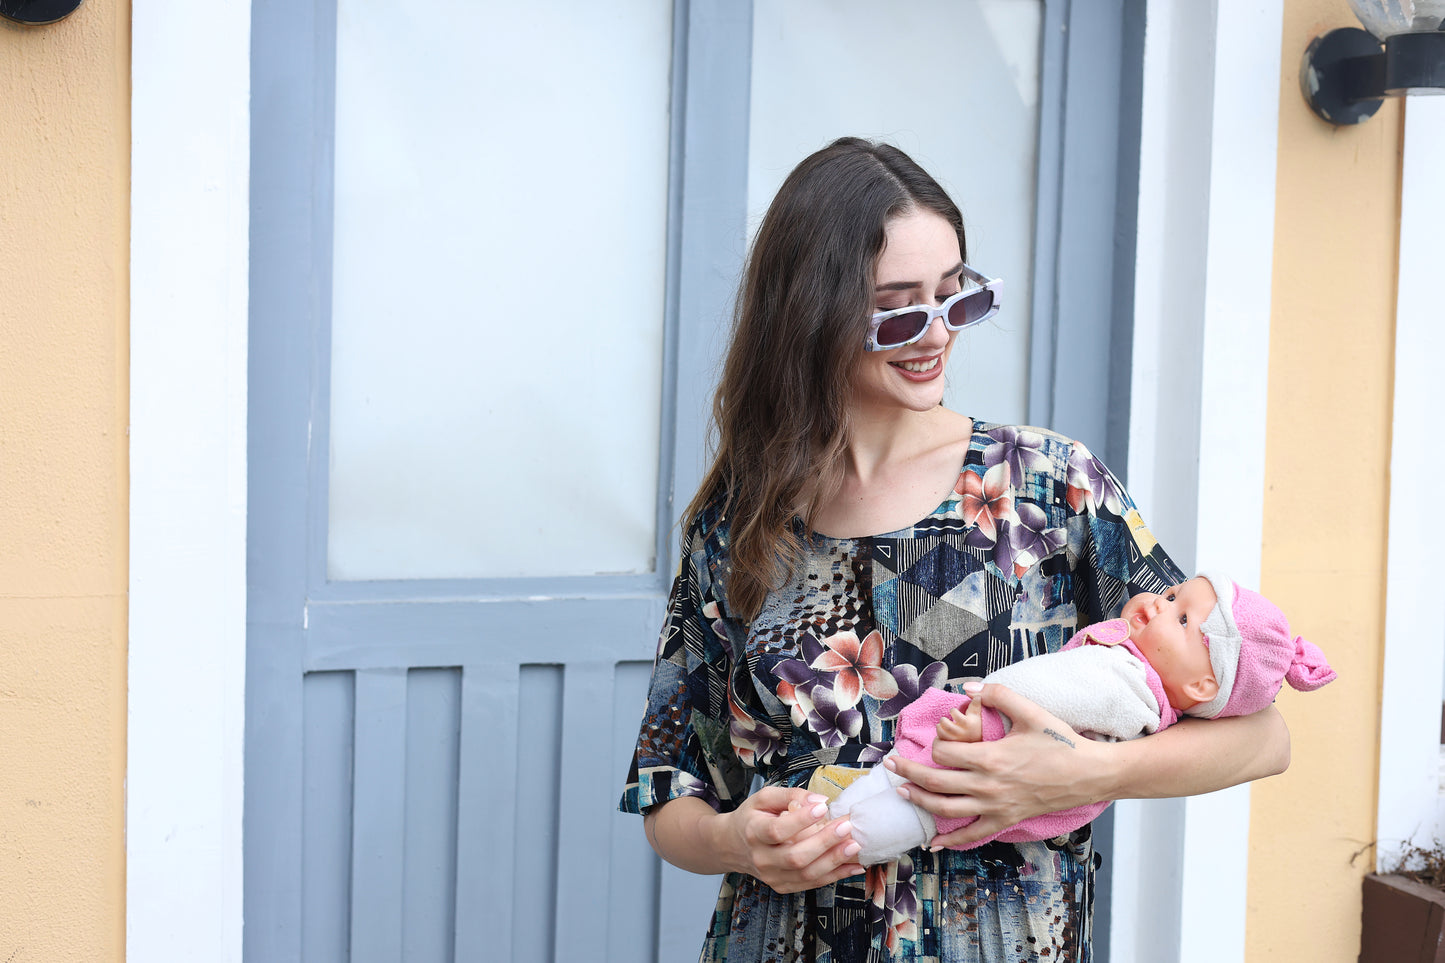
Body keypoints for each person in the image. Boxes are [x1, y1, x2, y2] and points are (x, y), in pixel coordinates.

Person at [618, 137, 1290, 962]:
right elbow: (669, 790)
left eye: (956, 298)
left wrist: (1083, 774)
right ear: (812, 313)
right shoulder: (738, 520)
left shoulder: (1046, 484)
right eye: (898, 308)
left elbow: (1263, 737)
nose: (935, 333)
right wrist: (735, 841)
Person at [827, 573, 1335, 864]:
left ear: (1205, 687)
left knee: (871, 823)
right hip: (941, 765)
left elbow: (1048, 693)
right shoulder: (1140, 658)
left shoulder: (1131, 687)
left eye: (1180, 616)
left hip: (965, 783)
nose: (1161, 603)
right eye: (1173, 594)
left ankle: (833, 836)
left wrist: (987, 714)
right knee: (868, 806)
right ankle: (826, 829)